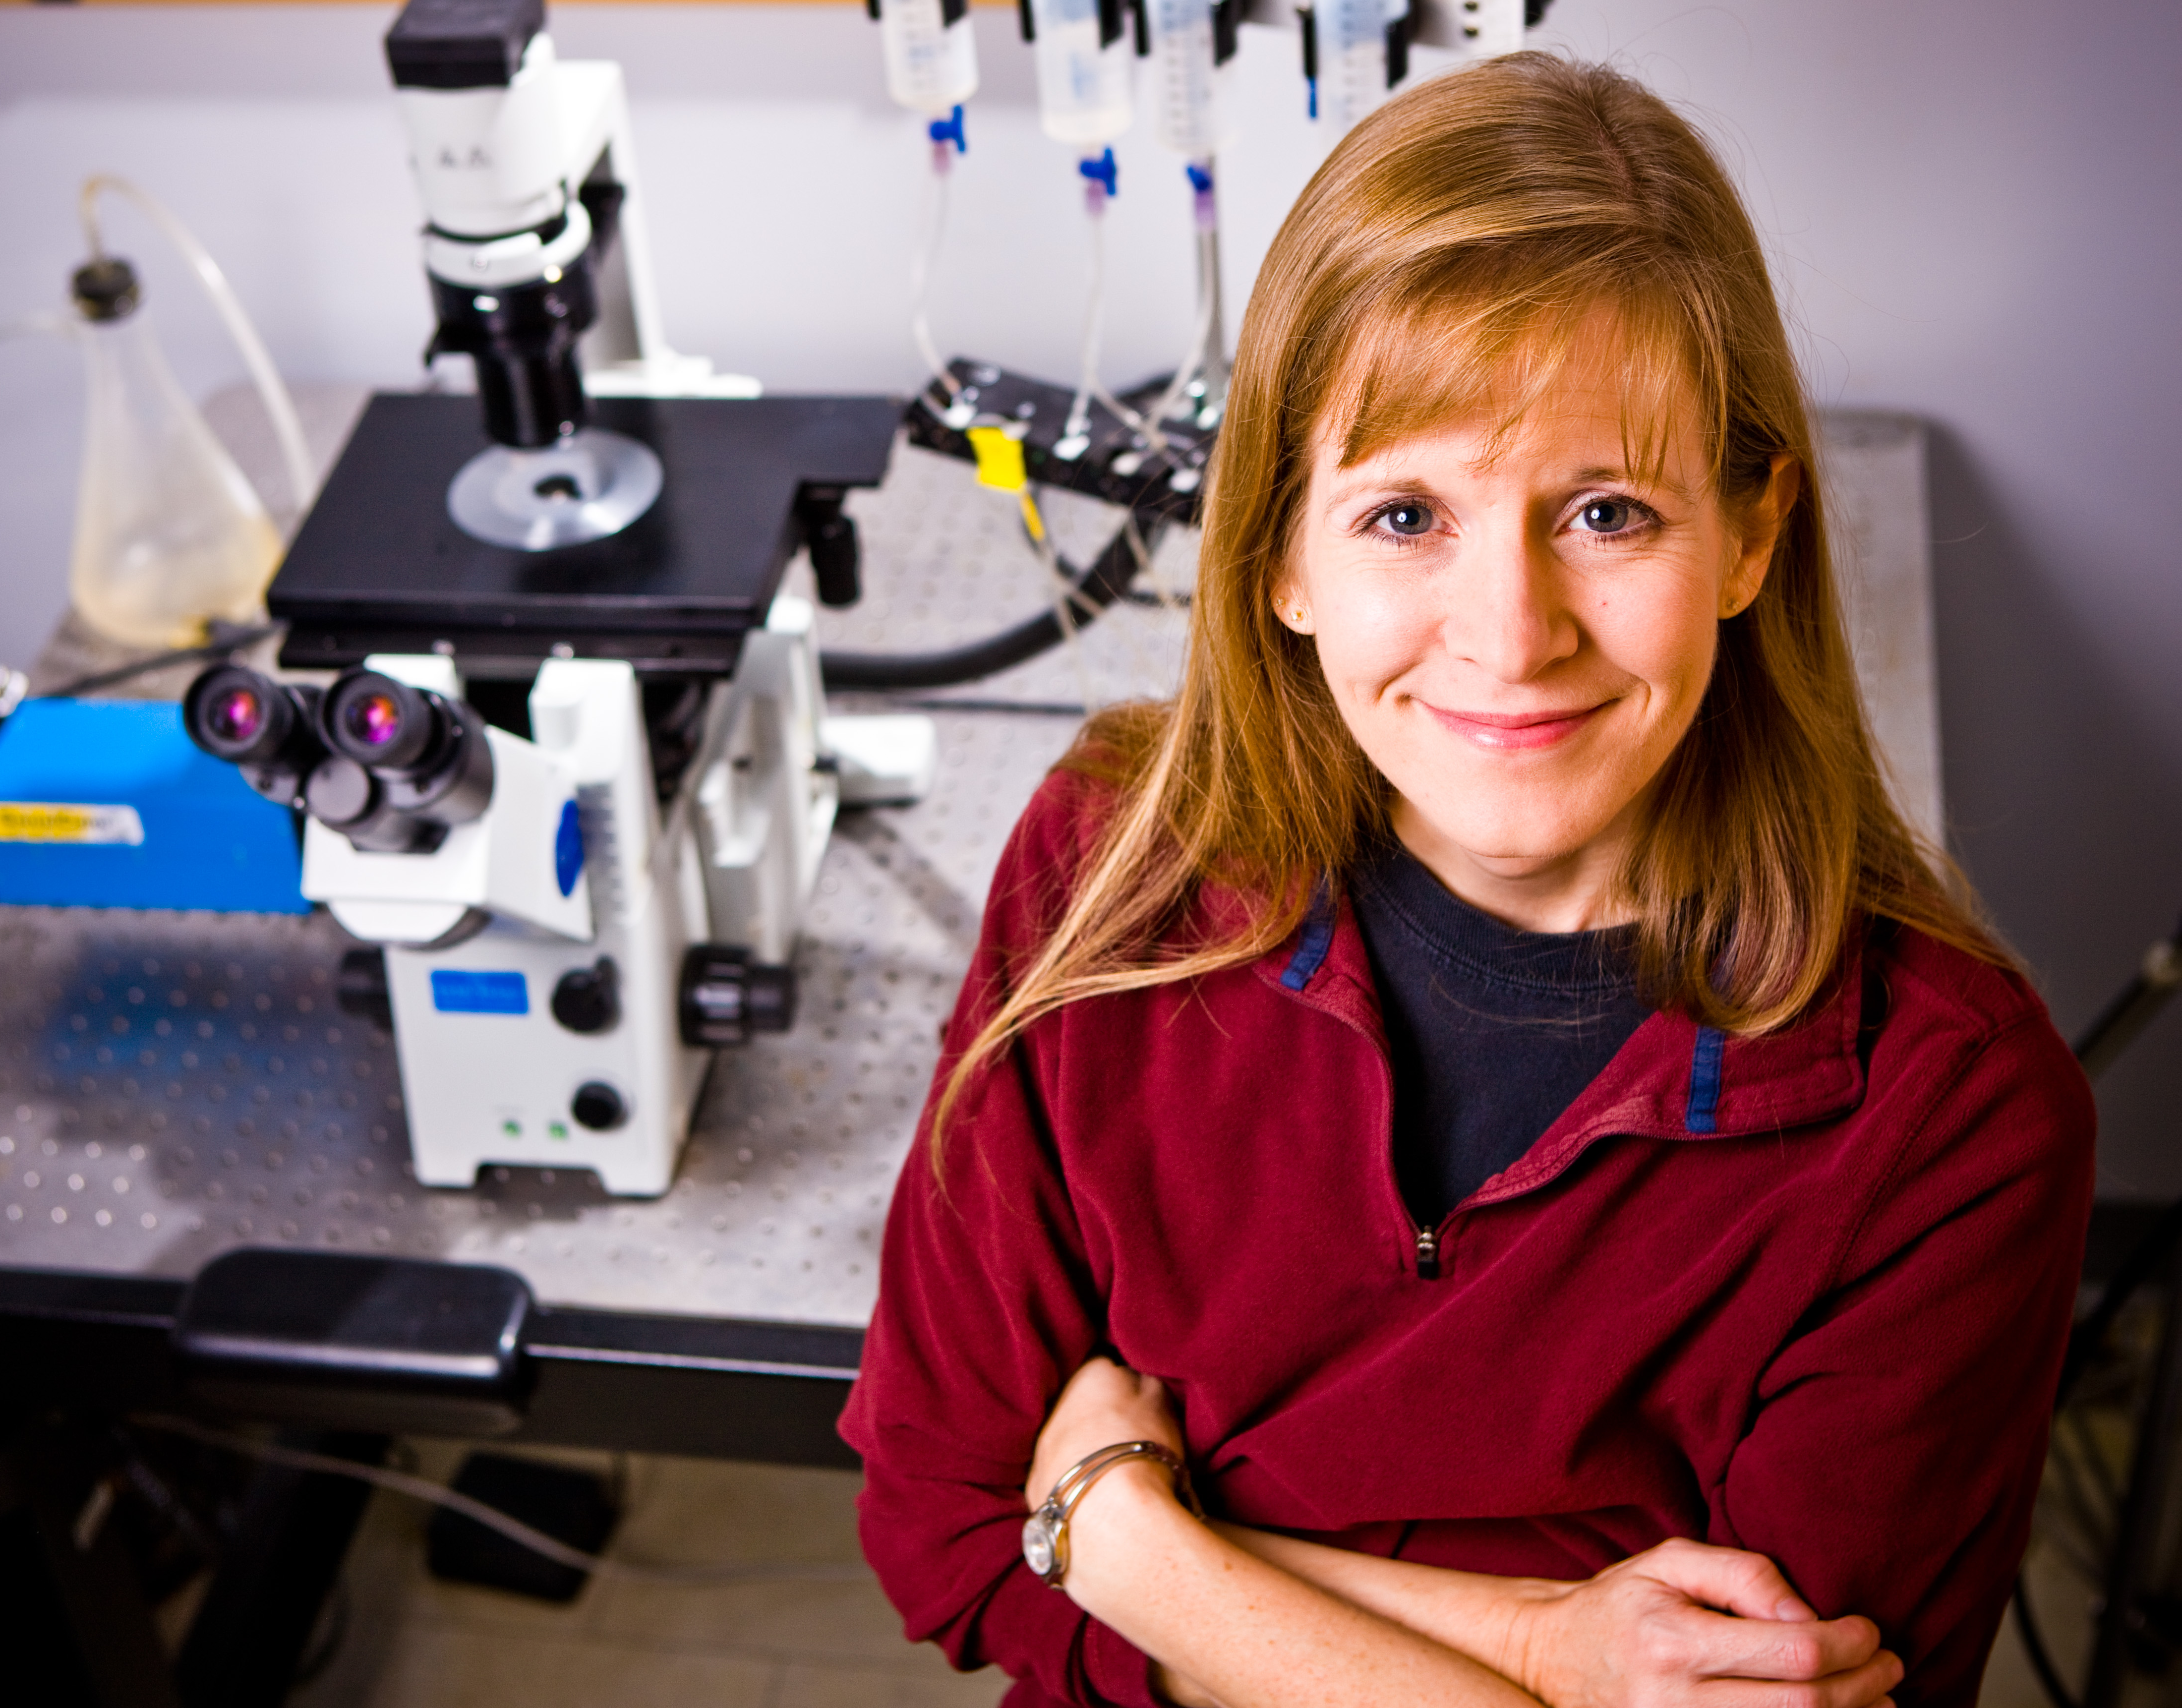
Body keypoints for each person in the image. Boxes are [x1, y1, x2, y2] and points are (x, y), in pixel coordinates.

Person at [839, 51, 2094, 1708]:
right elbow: (941, 1527)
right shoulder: (1111, 869)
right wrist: (1542, 1650)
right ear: (1278, 552)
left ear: (1751, 534)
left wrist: (1123, 1534)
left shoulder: (1950, 1116)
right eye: (1405, 515)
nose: (1510, 636)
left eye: (1605, 512)